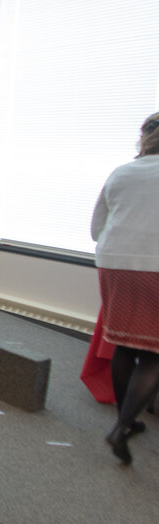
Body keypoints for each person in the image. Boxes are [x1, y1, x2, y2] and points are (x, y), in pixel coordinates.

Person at [92, 111, 159, 465]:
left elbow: (96, 227)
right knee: (153, 353)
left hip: (114, 262)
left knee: (122, 342)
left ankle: (126, 421)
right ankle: (122, 425)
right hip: (155, 266)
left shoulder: (122, 172)